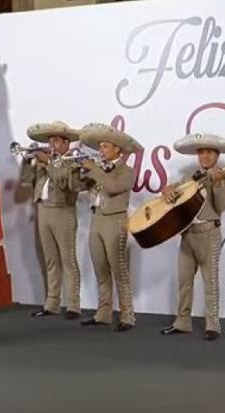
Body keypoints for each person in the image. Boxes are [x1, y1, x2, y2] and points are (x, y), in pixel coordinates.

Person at [159, 133, 225, 341]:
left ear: (216, 155)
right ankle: (182, 322)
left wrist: (217, 183)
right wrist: (167, 190)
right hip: (187, 235)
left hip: (209, 233)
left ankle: (213, 325)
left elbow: (220, 207)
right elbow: (174, 192)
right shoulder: (190, 177)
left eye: (209, 152)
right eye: (201, 152)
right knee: (184, 280)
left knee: (210, 281)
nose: (204, 156)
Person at [77, 123, 141, 332]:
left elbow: (113, 188)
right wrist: (80, 171)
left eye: (105, 146)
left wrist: (94, 169)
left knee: (119, 270)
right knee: (100, 269)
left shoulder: (127, 171)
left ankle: (127, 316)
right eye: (101, 146)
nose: (101, 150)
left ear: (117, 150)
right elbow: (77, 187)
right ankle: (103, 313)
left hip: (115, 221)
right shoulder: (98, 168)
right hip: (96, 219)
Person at [19, 121, 84, 319]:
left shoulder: (72, 160)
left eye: (56, 140)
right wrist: (26, 160)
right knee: (50, 260)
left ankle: (73, 305)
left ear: (66, 143)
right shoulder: (43, 160)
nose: (52, 144)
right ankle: (52, 304)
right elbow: (25, 179)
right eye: (50, 140)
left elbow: (64, 181)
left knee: (68, 259)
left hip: (63, 211)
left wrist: (47, 162)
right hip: (43, 209)